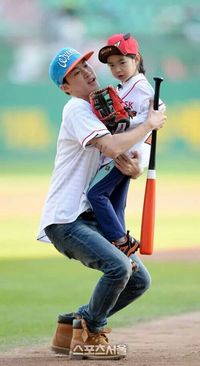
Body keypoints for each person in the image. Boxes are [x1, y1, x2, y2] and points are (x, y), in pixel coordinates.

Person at [37, 47, 166, 360]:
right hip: (66, 219)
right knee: (118, 266)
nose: (87, 72)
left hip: (89, 217)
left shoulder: (101, 107)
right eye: (76, 73)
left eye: (85, 65)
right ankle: (90, 333)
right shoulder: (77, 110)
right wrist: (149, 123)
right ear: (66, 87)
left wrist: (134, 168)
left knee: (138, 280)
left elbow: (120, 158)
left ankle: (73, 324)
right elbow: (109, 146)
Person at [87, 33, 165, 262]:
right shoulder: (123, 87)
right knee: (115, 203)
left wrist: (129, 121)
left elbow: (158, 107)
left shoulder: (139, 85)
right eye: (112, 65)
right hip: (127, 152)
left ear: (136, 59)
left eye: (123, 61)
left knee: (96, 194)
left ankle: (121, 242)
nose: (118, 68)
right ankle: (125, 253)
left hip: (129, 153)